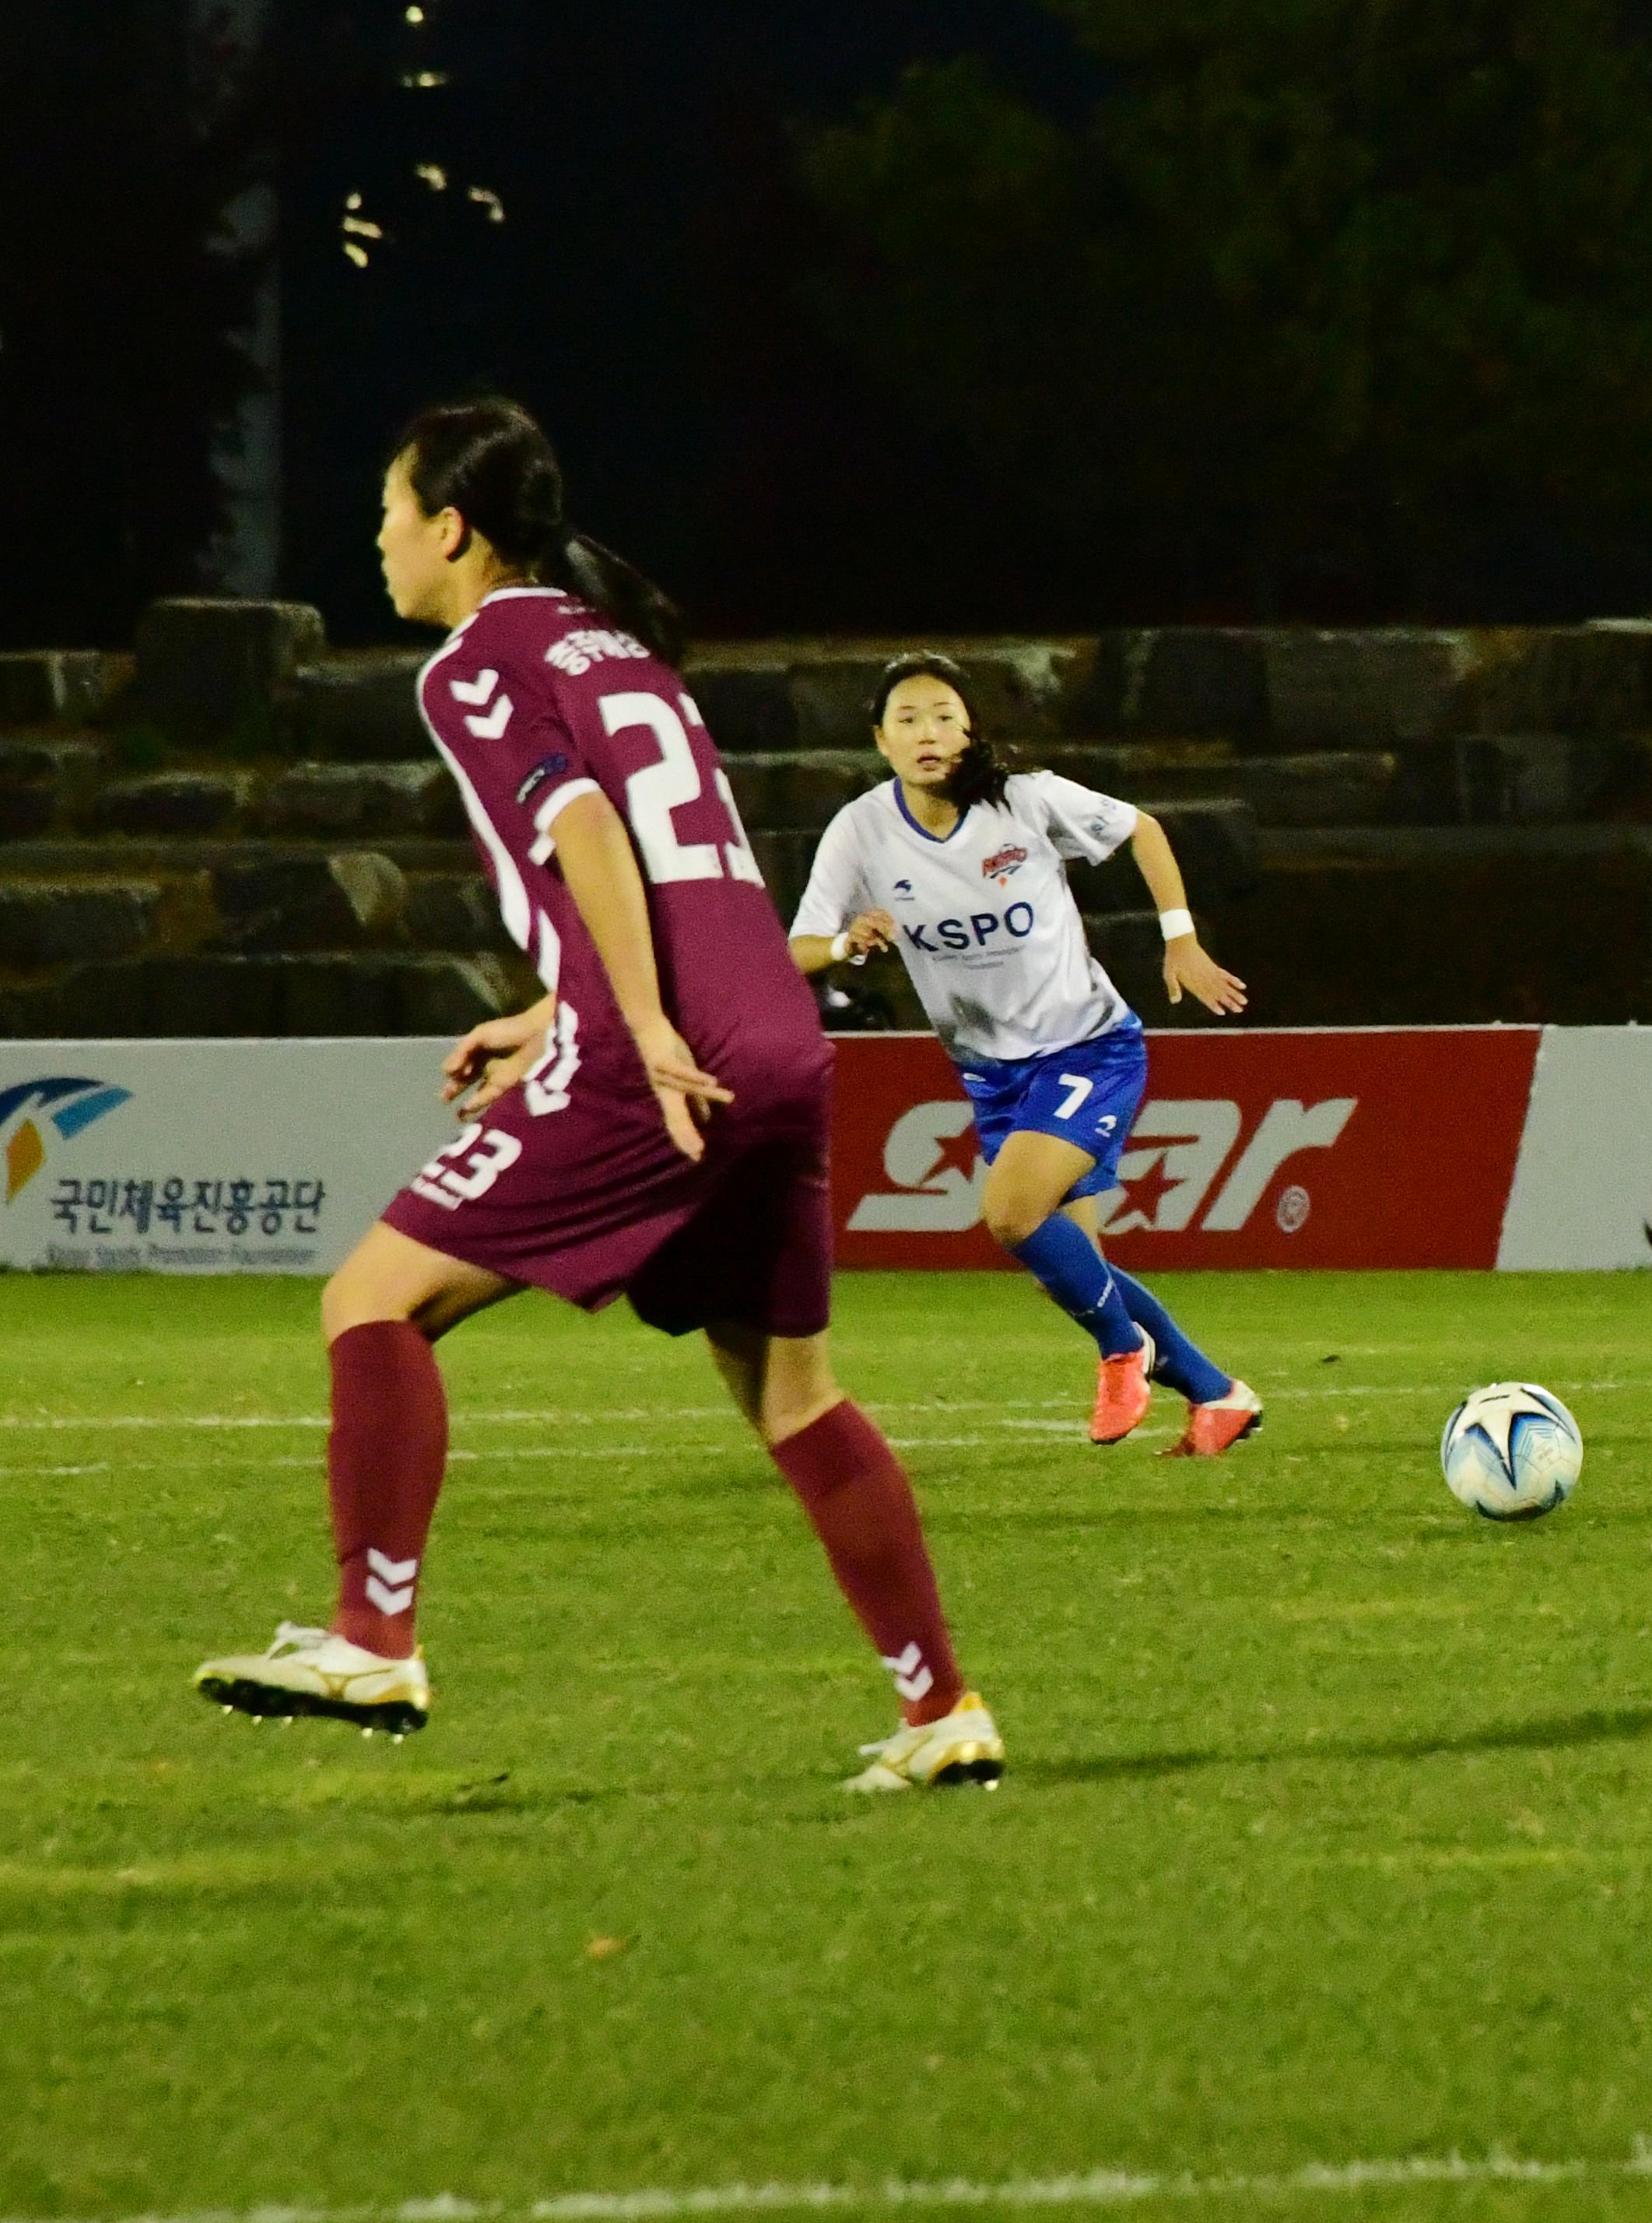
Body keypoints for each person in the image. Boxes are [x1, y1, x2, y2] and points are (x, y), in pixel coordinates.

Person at [193, 399, 1001, 1792]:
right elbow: (685, 872)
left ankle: (371, 1636)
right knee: (794, 1390)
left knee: (371, 1300)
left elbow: (583, 829)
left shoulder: (471, 663)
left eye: (391, 510)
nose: (377, 537)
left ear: (452, 529)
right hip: (779, 1044)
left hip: (666, 1052)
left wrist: (624, 1020)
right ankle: (943, 1713)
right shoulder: (615, 646)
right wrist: (554, 1003)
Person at [791, 656, 1261, 1452]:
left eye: (943, 714)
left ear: (969, 729)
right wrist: (845, 940)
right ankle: (1218, 1395)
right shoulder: (861, 829)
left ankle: (1125, 1350)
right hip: (991, 1073)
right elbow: (797, 947)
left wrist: (1180, 940)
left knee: (1010, 1213)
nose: (926, 732)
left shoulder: (1024, 798)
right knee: (1077, 1266)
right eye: (906, 719)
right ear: (880, 739)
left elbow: (1140, 828)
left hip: (1087, 1047)